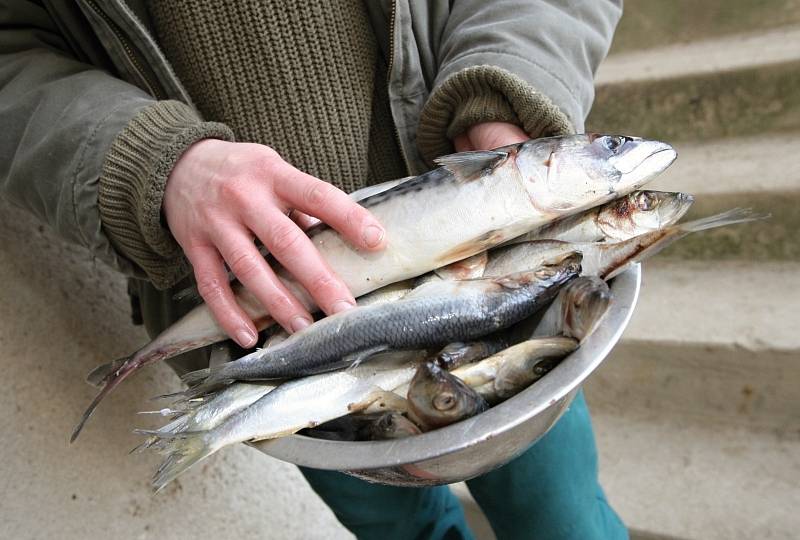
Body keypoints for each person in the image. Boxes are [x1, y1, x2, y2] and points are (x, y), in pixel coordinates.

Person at [0, 1, 627, 538]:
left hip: (507, 309)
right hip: (274, 335)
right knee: (398, 527)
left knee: (563, 518)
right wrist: (149, 163)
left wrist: (507, 85)